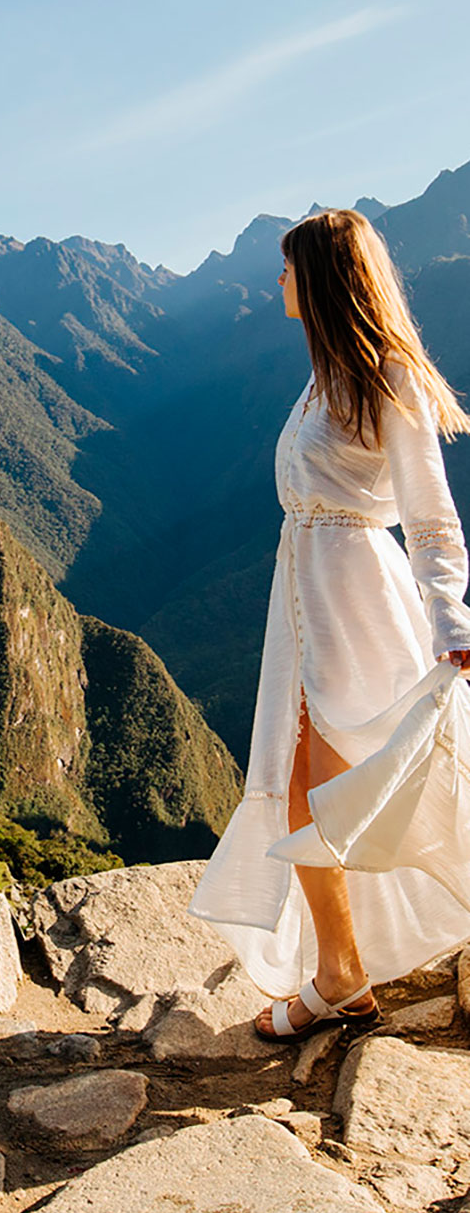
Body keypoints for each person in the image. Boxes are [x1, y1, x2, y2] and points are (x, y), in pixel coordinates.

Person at [189, 207, 470, 1041]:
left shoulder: (390, 376)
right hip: (311, 595)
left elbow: (430, 515)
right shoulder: (329, 374)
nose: (276, 280)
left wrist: (452, 620)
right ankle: (341, 969)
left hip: (356, 596)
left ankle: (344, 971)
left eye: (288, 267)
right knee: (315, 779)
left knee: (379, 779)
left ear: (320, 277)